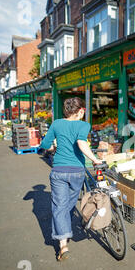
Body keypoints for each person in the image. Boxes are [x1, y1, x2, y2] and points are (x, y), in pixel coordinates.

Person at [40, 97, 103, 261]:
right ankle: (64, 232)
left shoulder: (56, 124)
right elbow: (82, 143)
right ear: (81, 111)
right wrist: (95, 159)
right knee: (67, 205)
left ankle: (63, 245)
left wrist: (54, 146)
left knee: (60, 207)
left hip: (59, 171)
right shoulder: (83, 125)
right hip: (77, 172)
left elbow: (45, 145)